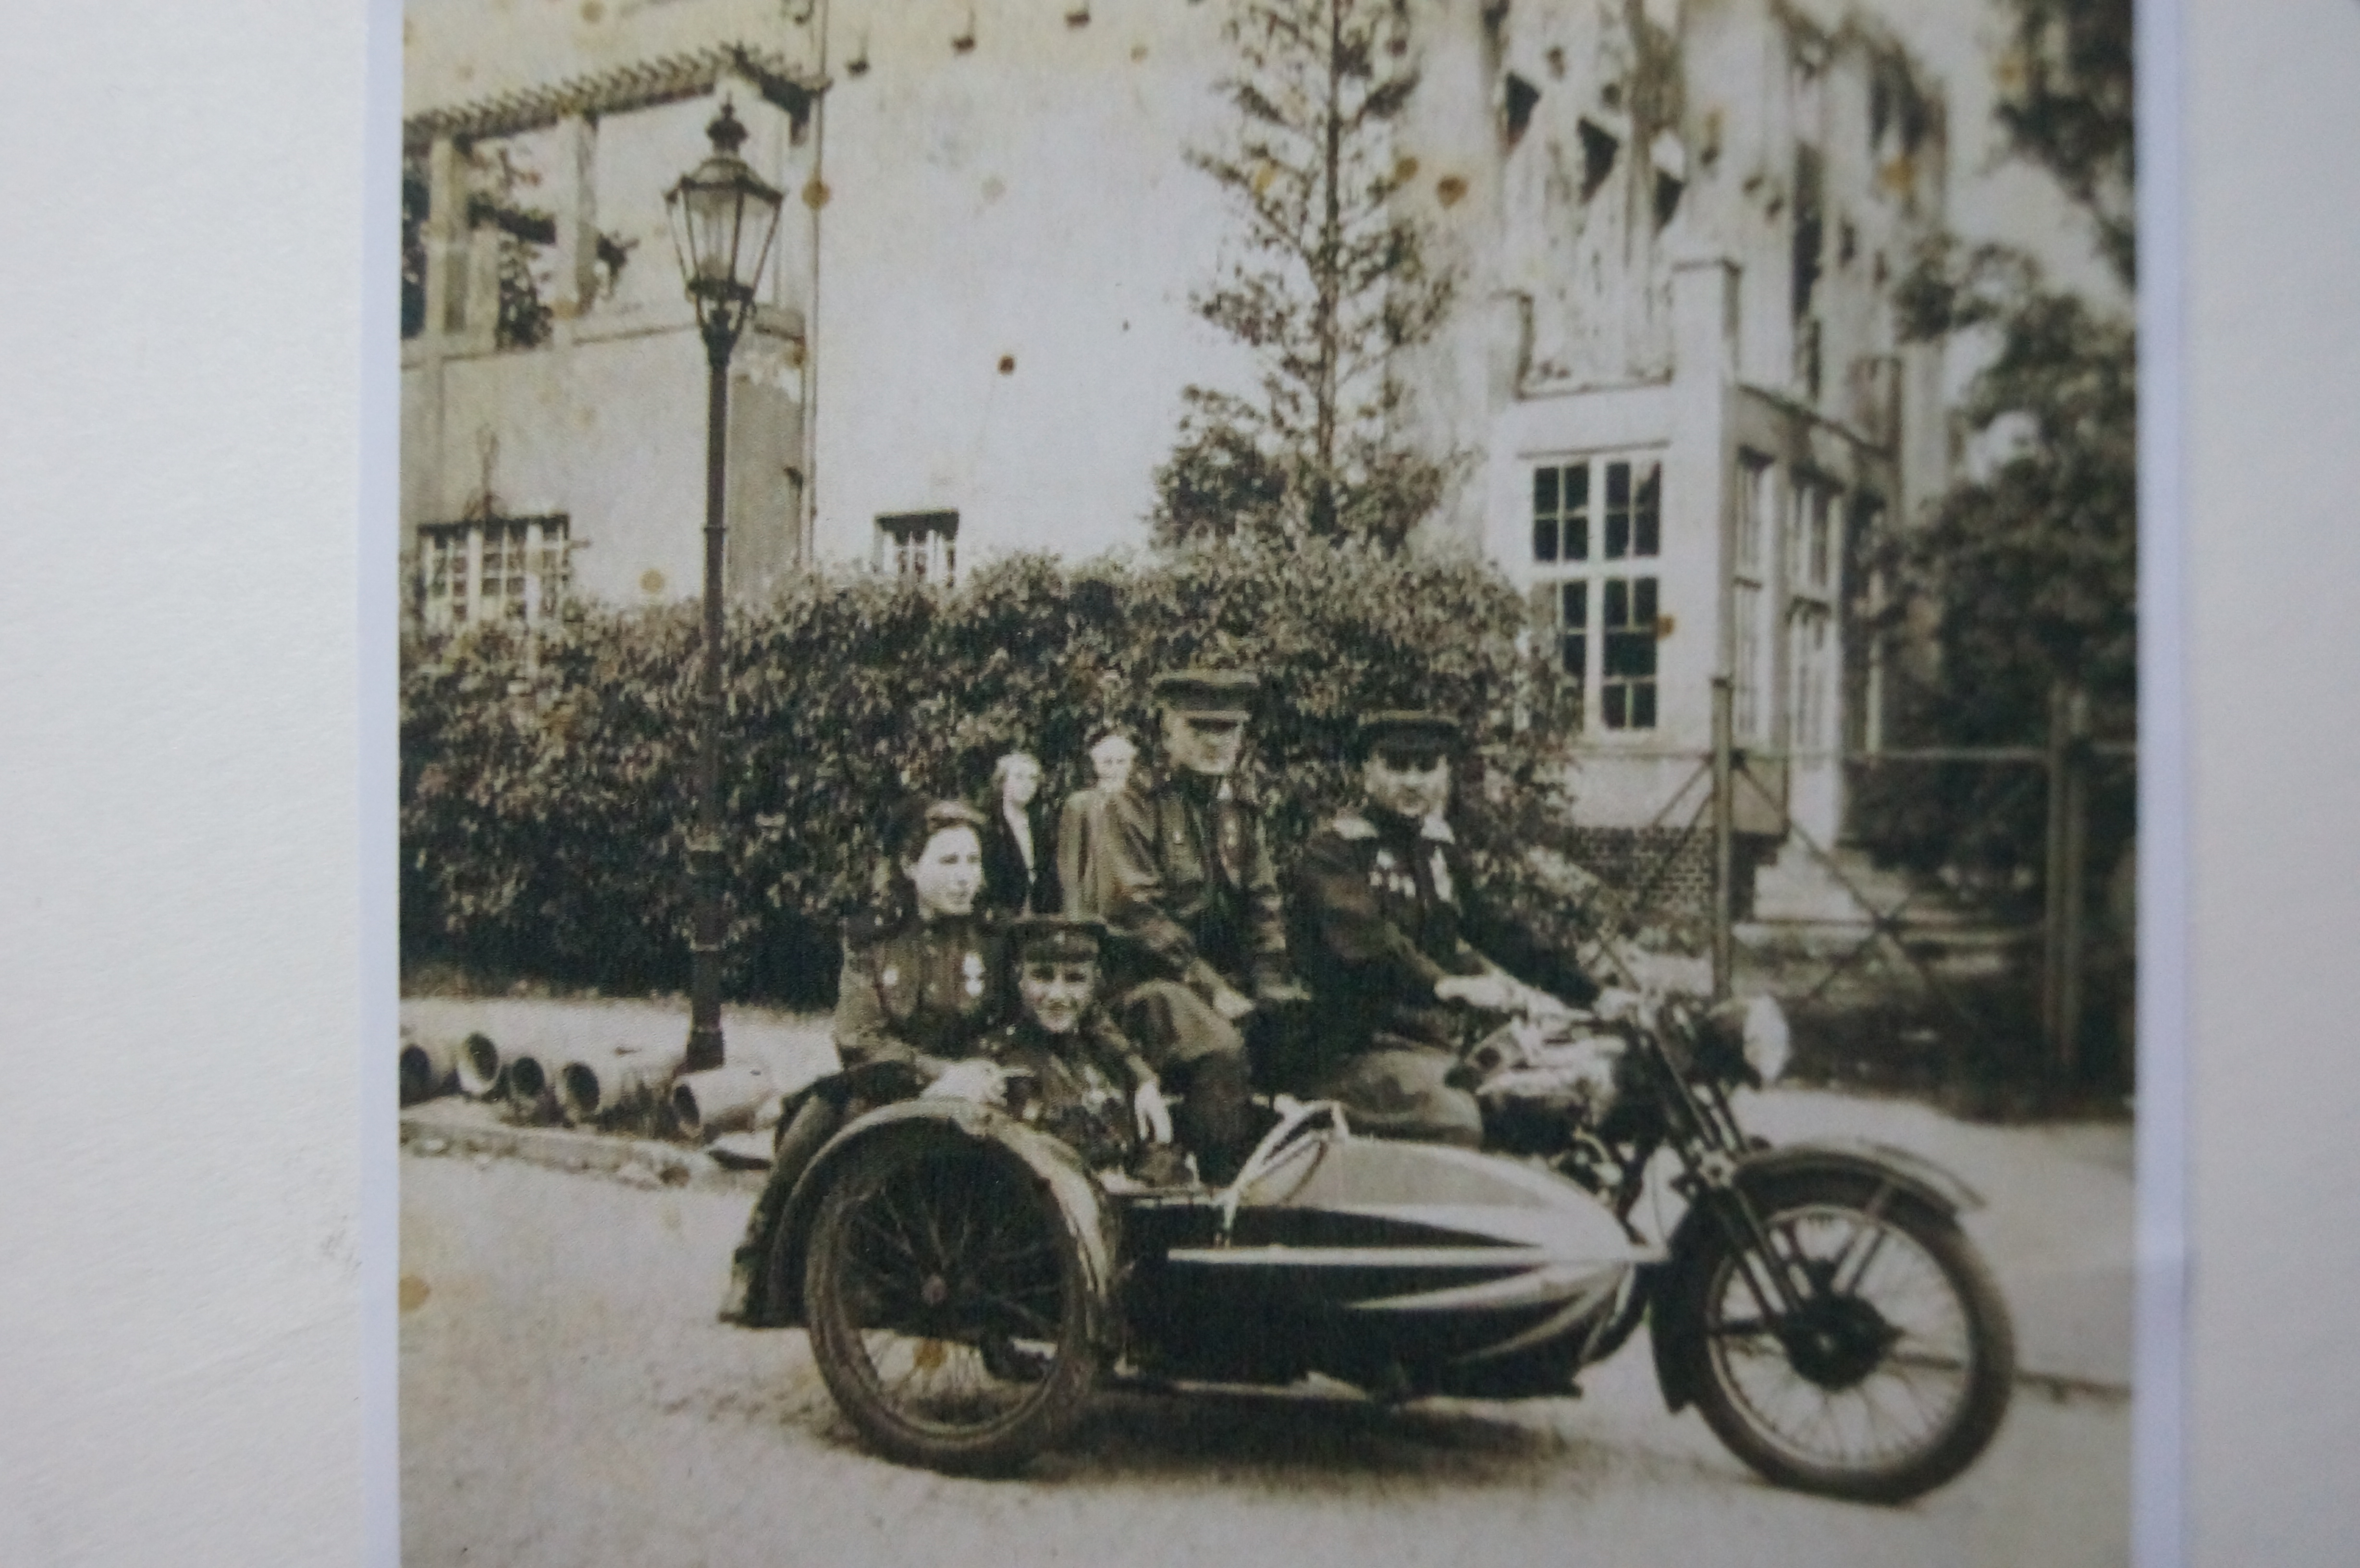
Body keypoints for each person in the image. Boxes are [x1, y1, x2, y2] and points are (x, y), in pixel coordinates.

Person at [720, 799, 1008, 1323]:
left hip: (977, 1090)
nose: (965, 877)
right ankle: (759, 1258)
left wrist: (978, 1070)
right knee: (818, 1123)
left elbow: (1013, 1021)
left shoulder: (996, 937)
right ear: (910, 867)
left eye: (973, 861)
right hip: (889, 1082)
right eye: (948, 862)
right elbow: (858, 1037)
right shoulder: (872, 938)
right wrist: (940, 1074)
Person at [1286, 711, 1598, 1147]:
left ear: (1445, 773)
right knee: (1457, 1120)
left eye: (1427, 767)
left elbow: (1495, 928)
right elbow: (1372, 942)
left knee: (1544, 1105)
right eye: (1397, 766)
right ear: (1367, 772)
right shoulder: (1336, 851)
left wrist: (1588, 992)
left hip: (1428, 1046)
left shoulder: (1437, 847)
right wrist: (1447, 985)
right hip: (1351, 1051)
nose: (1413, 782)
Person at [1095, 669, 1305, 1182]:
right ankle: (1220, 1184)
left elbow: (1263, 905)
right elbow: (1136, 915)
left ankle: (1286, 1174)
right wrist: (1212, 989)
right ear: (1167, 731)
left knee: (1305, 1026)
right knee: (1219, 1045)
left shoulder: (1239, 810)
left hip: (1220, 985)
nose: (1216, 742)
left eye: (1227, 729)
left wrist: (1272, 985)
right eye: (1200, 728)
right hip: (1144, 986)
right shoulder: (1134, 806)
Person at [929, 915, 1180, 1178]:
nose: (1057, 996)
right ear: (1019, 979)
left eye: (1075, 979)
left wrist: (1142, 1182)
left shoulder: (1110, 1056)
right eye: (1042, 977)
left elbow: (1158, 1147)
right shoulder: (992, 1065)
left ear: (1095, 983)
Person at [1055, 729, 1136, 919]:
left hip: (1135, 900)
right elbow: (1071, 862)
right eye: (1108, 762)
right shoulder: (1080, 803)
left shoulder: (1140, 803)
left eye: (1121, 762)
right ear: (1096, 766)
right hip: (1096, 898)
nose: (1115, 768)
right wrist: (1073, 912)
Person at [980, 750, 1060, 915]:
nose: (1027, 784)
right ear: (1003, 782)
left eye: (1033, 779)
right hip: (1002, 914)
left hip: (1039, 912)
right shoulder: (988, 826)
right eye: (1019, 777)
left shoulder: (1041, 826)